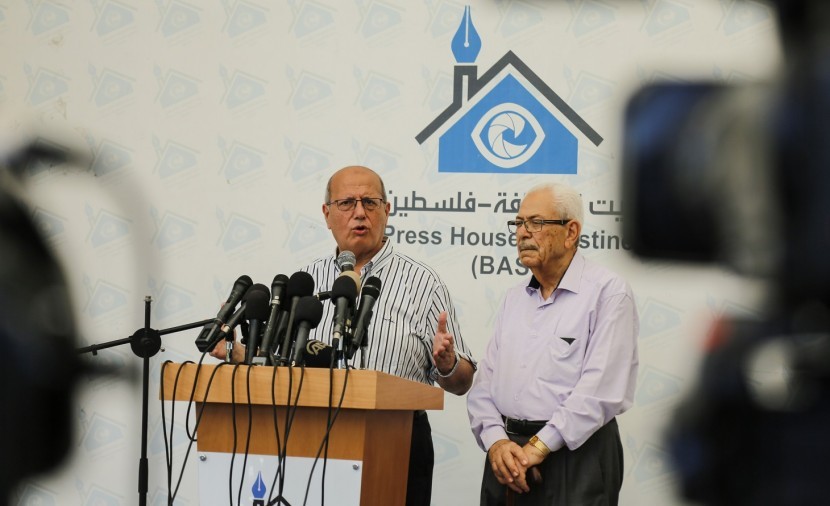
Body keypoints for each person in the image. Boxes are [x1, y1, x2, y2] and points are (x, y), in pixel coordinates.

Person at [213, 165, 476, 506]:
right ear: (327, 214)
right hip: (308, 438)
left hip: (397, 443)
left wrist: (447, 363)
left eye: (370, 202)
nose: (359, 213)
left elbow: (461, 382)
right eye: (347, 203)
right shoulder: (305, 281)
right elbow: (281, 366)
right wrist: (237, 352)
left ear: (387, 210)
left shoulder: (423, 283)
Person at [466, 182, 638, 505]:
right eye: (519, 223)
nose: (522, 233)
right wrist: (496, 442)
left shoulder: (608, 292)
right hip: (507, 458)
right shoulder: (514, 299)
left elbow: (600, 390)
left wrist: (539, 445)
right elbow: (484, 385)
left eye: (536, 223)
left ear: (571, 232)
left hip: (577, 454)